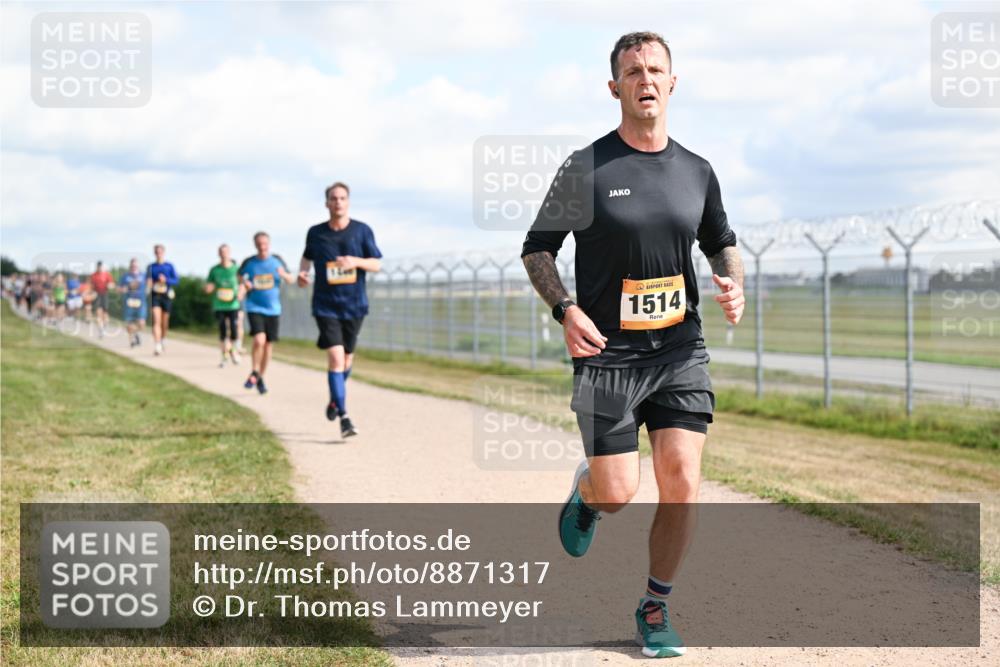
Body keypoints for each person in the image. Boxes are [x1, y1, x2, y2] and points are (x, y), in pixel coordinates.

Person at [521, 32, 745, 659]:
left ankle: (655, 605)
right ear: (614, 86)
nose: (644, 78)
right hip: (607, 356)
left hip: (679, 351)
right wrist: (564, 309)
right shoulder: (586, 167)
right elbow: (537, 247)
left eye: (655, 69)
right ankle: (589, 492)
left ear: (673, 83)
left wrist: (736, 285)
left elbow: (722, 241)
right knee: (620, 490)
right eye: (631, 70)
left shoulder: (697, 171)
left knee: (682, 480)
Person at [297, 181, 382, 439]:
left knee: (346, 360)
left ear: (348, 202)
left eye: (342, 198)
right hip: (325, 305)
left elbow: (376, 264)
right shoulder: (316, 233)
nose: (338, 202)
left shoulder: (361, 231)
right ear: (327, 203)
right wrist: (302, 273)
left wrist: (354, 261)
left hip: (354, 305)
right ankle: (344, 416)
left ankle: (335, 399)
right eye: (333, 198)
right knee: (335, 358)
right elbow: (307, 257)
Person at [239, 232, 295, 394]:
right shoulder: (249, 263)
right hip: (254, 306)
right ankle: (255, 370)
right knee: (259, 339)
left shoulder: (277, 260)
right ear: (255, 245)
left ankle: (259, 377)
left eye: (265, 243)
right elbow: (240, 278)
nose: (262, 247)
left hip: (273, 309)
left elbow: (291, 279)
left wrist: (283, 275)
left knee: (268, 344)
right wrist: (245, 285)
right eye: (259, 244)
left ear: (269, 244)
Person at [205, 244, 243, 367]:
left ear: (229, 253)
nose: (224, 254)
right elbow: (209, 285)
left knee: (233, 329)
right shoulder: (214, 270)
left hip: (233, 305)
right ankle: (224, 355)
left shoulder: (236, 269)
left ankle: (232, 350)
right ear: (218, 254)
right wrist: (208, 288)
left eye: (226, 252)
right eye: (221, 252)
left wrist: (241, 293)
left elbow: (243, 283)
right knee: (222, 331)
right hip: (219, 305)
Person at [146, 244, 179, 356]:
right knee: (156, 320)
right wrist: (149, 282)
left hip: (166, 295)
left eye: (160, 251)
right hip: (155, 296)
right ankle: (157, 345)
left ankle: (163, 338)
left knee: (164, 322)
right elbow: (147, 280)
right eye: (156, 252)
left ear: (163, 252)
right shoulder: (151, 267)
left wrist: (166, 280)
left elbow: (176, 281)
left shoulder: (169, 266)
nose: (158, 253)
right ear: (154, 253)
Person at [118, 258, 147, 347]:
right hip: (129, 302)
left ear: (138, 266)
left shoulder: (144, 276)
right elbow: (118, 288)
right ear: (130, 266)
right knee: (129, 323)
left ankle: (136, 333)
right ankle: (132, 341)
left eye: (135, 265)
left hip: (140, 302)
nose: (134, 267)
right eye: (132, 265)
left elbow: (150, 284)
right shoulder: (125, 276)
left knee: (142, 323)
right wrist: (125, 288)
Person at [90, 261, 115, 336]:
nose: (100, 268)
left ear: (103, 267)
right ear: (97, 267)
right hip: (97, 295)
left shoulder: (107, 275)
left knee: (105, 314)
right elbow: (91, 286)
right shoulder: (94, 275)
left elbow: (112, 284)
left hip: (105, 294)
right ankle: (101, 330)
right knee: (98, 312)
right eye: (98, 267)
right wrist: (92, 292)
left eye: (101, 267)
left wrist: (110, 285)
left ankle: (104, 326)